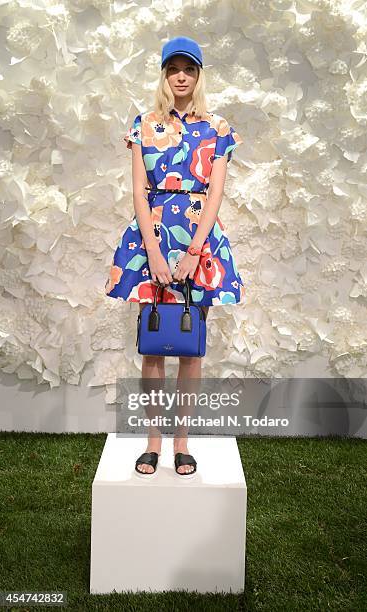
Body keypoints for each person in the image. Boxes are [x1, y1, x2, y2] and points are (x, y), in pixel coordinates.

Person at [105, 36, 245, 478]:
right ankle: (152, 443)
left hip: (198, 243)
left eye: (189, 68)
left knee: (189, 347)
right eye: (173, 68)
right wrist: (153, 251)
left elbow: (216, 192)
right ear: (164, 74)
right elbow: (138, 191)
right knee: (152, 344)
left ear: (199, 74)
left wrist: (194, 251)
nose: (180, 76)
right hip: (152, 240)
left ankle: (182, 444)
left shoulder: (218, 127)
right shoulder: (144, 123)